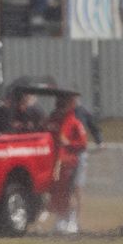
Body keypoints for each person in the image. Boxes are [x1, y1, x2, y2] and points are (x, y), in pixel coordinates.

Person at [47, 91, 90, 235]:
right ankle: (61, 218)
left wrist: (69, 143)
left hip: (71, 162)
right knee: (59, 192)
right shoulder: (53, 120)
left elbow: (83, 143)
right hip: (57, 163)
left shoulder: (74, 122)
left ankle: (72, 221)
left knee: (71, 191)